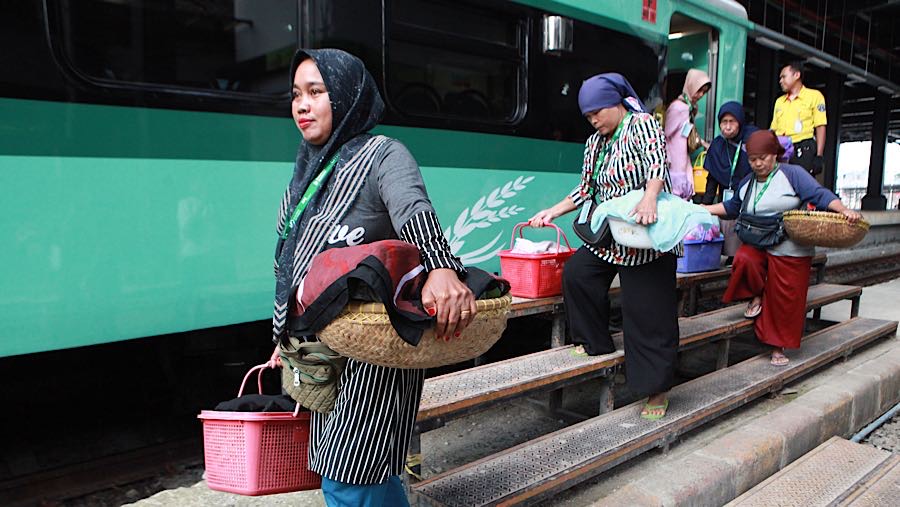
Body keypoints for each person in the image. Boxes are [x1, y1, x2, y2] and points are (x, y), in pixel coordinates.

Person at [269, 48, 475, 506]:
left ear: (346, 95)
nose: (302, 105)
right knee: (349, 473)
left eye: (317, 92)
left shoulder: (384, 155)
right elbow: (290, 255)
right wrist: (283, 333)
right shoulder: (308, 171)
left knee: (353, 477)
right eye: (296, 95)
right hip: (323, 348)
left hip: (374, 350)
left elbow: (413, 209)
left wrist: (440, 266)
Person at [529, 73, 680, 421]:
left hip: (646, 235)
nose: (594, 119)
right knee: (578, 274)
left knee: (645, 311)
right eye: (588, 116)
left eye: (598, 112)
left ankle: (655, 389)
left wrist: (650, 198)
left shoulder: (642, 124)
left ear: (616, 103)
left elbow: (659, 165)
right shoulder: (595, 142)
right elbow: (586, 188)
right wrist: (552, 211)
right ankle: (595, 342)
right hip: (612, 233)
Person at [702, 130, 861, 366]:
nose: (757, 164)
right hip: (758, 241)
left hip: (789, 245)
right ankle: (756, 295)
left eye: (763, 158)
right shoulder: (747, 182)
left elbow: (819, 194)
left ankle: (778, 346)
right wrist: (702, 209)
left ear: (775, 154)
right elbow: (732, 206)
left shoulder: (792, 174)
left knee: (785, 295)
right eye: (752, 159)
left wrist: (843, 210)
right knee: (743, 258)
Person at [702, 101, 759, 259]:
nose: (727, 127)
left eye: (731, 122)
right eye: (723, 122)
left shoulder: (752, 140)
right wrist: (705, 205)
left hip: (749, 201)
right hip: (726, 203)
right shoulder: (717, 145)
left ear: (740, 122)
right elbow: (712, 178)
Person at [771, 61, 827, 178]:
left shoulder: (815, 96)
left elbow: (820, 126)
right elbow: (773, 129)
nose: (780, 81)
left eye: (784, 77)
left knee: (801, 186)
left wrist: (819, 155)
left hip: (803, 147)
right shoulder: (779, 101)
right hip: (782, 149)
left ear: (797, 75)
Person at [665, 69, 711, 200]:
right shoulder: (679, 107)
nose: (701, 95)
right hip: (674, 160)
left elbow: (686, 131)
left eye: (704, 92)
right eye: (699, 90)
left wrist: (702, 143)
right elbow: (667, 133)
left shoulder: (690, 108)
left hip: (682, 158)